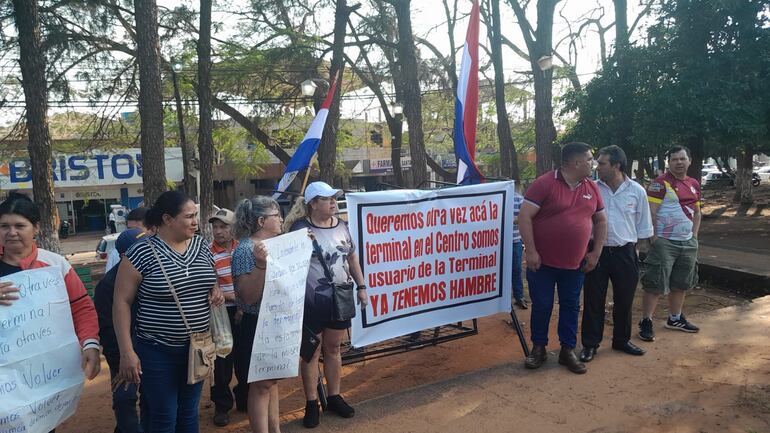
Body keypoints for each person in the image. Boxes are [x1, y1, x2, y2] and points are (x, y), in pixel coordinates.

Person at [113, 190, 224, 433]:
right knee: (164, 416)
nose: (196, 222)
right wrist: (126, 352)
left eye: (195, 216)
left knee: (188, 413)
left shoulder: (201, 246)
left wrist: (214, 288)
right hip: (156, 350)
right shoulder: (140, 252)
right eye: (189, 216)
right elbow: (121, 302)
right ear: (167, 219)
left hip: (197, 348)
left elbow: (208, 275)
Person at [0, 192, 101, 432]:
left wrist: (90, 344)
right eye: (4, 226)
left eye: (19, 225)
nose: (11, 232)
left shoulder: (55, 265)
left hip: (42, 377)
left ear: (35, 228)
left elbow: (81, 307)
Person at [518, 143, 608, 374]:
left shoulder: (591, 187)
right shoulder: (544, 184)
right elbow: (525, 217)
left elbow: (601, 221)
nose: (593, 163)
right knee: (542, 306)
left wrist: (595, 253)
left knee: (570, 306)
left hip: (575, 264)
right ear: (576, 162)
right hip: (543, 263)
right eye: (589, 159)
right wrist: (531, 251)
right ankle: (538, 348)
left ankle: (567, 350)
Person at [285, 181, 368, 428]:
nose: (333, 202)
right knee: (311, 352)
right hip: (311, 302)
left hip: (339, 299)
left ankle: (334, 396)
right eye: (327, 199)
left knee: (333, 349)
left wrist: (361, 287)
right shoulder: (300, 228)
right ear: (312, 204)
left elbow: (351, 256)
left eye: (334, 198)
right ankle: (312, 403)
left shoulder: (341, 225)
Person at [579, 146, 653, 363]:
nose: (596, 167)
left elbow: (643, 227)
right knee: (593, 299)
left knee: (625, 299)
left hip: (625, 253)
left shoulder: (637, 191)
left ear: (616, 165)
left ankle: (621, 340)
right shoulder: (592, 188)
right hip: (596, 252)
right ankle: (590, 344)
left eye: (601, 163)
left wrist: (633, 251)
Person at [230, 196, 285, 433]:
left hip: (276, 323)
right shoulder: (244, 250)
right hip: (256, 325)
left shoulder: (277, 244)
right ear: (261, 220)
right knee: (260, 386)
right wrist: (261, 266)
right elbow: (247, 296)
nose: (281, 219)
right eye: (276, 215)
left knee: (270, 384)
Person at [638, 145, 701, 342]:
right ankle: (646, 321)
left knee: (681, 283)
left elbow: (697, 212)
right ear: (669, 162)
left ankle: (675, 318)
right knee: (655, 283)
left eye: (682, 158)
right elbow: (652, 212)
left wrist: (694, 236)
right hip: (665, 242)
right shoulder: (659, 184)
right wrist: (655, 239)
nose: (679, 162)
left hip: (688, 243)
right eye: (674, 159)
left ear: (689, 160)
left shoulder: (693, 183)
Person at [94, 228, 148, 433]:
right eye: (140, 249)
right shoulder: (107, 285)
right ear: (125, 255)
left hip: (152, 352)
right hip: (123, 355)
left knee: (152, 399)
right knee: (125, 399)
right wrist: (122, 361)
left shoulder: (152, 275)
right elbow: (107, 330)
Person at [207, 208, 247, 427]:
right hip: (222, 313)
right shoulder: (206, 252)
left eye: (224, 226)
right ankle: (221, 406)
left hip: (246, 310)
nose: (218, 231)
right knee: (221, 361)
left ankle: (244, 398)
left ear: (234, 228)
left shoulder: (244, 249)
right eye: (215, 226)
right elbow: (207, 285)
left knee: (244, 359)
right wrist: (227, 295)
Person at [106, 207, 148, 272]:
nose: (131, 233)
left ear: (152, 229)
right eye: (129, 229)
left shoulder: (162, 252)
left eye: (137, 230)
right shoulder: (116, 253)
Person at [512, 188, 527, 309]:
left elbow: (525, 216)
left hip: (514, 240)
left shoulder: (518, 198)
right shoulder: (495, 199)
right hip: (497, 241)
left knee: (516, 269)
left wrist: (514, 220)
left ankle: (519, 296)